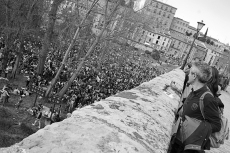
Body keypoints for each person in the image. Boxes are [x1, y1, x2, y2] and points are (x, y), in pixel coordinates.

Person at [172, 61, 221, 153]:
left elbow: (217, 125)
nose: (188, 75)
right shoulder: (194, 91)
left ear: (194, 76)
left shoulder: (207, 98)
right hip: (179, 140)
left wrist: (193, 125)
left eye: (190, 73)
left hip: (190, 147)